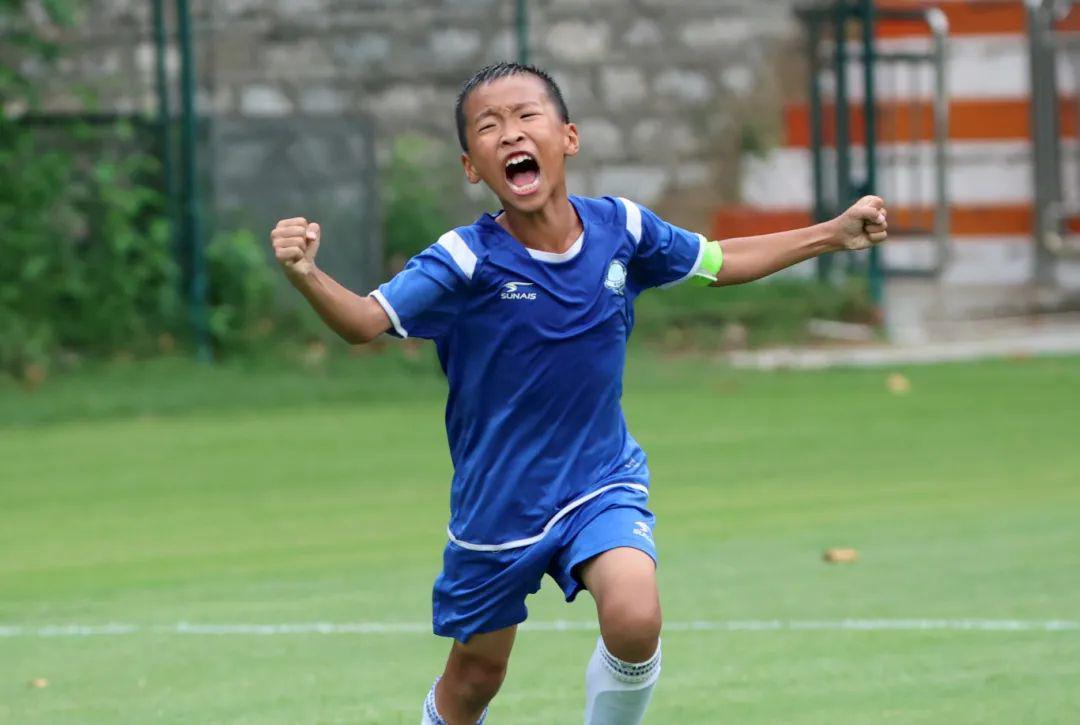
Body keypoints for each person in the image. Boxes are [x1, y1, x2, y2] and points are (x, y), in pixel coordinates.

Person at [269, 62, 888, 725]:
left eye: (526, 116)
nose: (511, 133)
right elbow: (365, 321)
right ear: (472, 167)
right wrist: (306, 273)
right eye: (489, 126)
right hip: (498, 503)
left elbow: (716, 260)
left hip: (601, 478)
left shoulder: (623, 229)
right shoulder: (464, 260)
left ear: (568, 137)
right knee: (475, 679)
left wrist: (832, 233)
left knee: (635, 617)